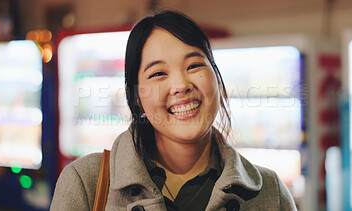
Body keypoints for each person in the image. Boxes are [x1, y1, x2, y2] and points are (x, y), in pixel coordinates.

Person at [50, 10, 297, 211]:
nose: (181, 85)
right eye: (158, 73)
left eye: (194, 65)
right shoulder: (86, 184)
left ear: (217, 79)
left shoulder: (270, 193)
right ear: (136, 97)